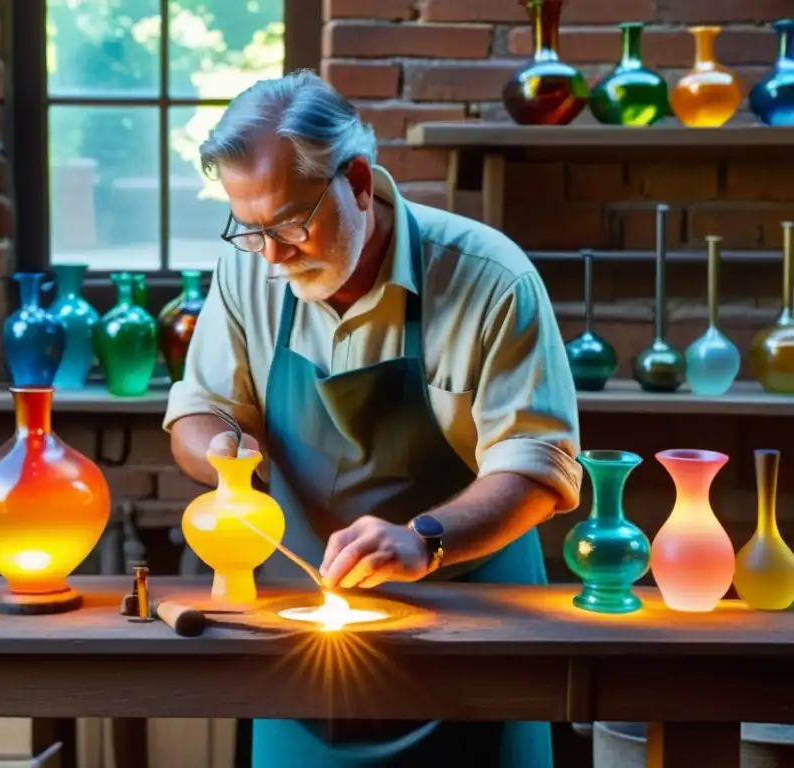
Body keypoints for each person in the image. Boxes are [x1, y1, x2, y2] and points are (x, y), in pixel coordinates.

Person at [163, 70, 581, 768]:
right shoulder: (249, 272)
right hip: (308, 655)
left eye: (291, 224)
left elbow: (536, 467)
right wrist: (230, 464)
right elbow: (198, 414)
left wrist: (423, 540)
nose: (272, 253)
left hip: (471, 644)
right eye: (250, 229)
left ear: (357, 180)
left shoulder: (489, 278)